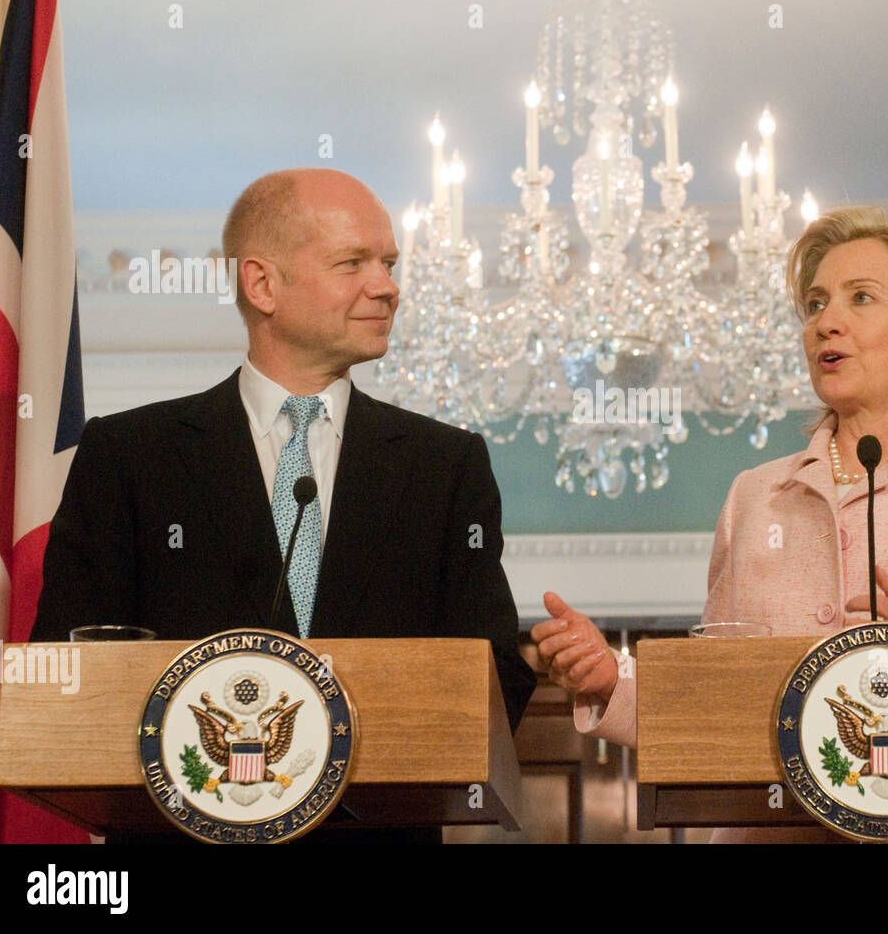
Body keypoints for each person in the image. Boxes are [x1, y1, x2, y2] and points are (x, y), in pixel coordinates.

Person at [533, 206, 888, 843]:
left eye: (861, 298)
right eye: (816, 302)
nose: (827, 321)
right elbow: (719, 700)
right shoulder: (755, 496)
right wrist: (613, 678)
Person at [32, 168, 536, 841]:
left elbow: (490, 673)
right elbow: (71, 663)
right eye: (353, 262)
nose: (387, 286)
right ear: (262, 284)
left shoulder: (444, 465)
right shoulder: (131, 455)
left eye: (388, 263)